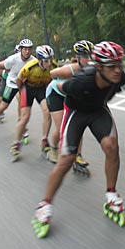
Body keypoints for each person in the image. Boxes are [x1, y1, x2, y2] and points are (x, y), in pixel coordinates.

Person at [33, 41, 125, 235]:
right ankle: (45, 204)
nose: (117, 70)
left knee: (111, 147)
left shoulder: (120, 78)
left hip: (97, 110)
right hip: (76, 111)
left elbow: (105, 93)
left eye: (120, 64)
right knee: (67, 159)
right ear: (99, 67)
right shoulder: (81, 80)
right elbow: (59, 87)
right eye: (112, 66)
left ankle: (111, 194)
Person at [45, 40, 94, 170]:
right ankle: (53, 149)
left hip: (70, 96)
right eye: (85, 57)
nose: (88, 59)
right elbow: (52, 73)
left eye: (90, 56)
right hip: (55, 94)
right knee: (62, 128)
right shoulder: (71, 69)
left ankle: (78, 156)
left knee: (78, 126)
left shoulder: (91, 68)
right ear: (77, 57)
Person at [10, 45, 58, 161]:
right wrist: (21, 93)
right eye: (46, 61)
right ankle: (16, 143)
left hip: (41, 88)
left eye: (51, 59)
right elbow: (19, 81)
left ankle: (44, 141)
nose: (49, 63)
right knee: (25, 117)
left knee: (47, 112)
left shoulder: (54, 66)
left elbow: (56, 78)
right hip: (28, 89)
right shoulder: (29, 67)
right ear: (40, 60)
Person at [0, 39, 35, 136]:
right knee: (4, 105)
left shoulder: (33, 60)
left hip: (23, 85)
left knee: (23, 106)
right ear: (20, 49)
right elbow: (0, 66)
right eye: (25, 49)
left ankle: (22, 126)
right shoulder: (13, 59)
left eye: (29, 49)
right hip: (11, 84)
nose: (27, 51)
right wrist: (8, 72)